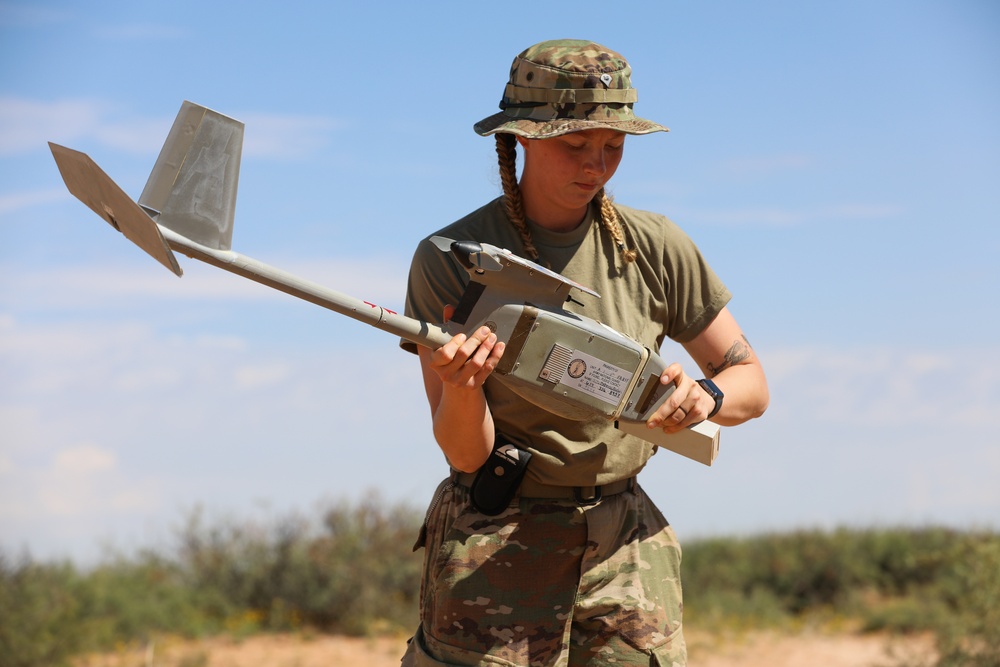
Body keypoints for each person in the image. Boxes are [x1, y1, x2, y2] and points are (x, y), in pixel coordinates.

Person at [399, 39, 769, 667]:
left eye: (613, 146)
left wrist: (703, 397)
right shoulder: (452, 258)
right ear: (518, 139)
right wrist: (462, 386)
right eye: (575, 145)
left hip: (627, 546)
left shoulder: (656, 248)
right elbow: (465, 452)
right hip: (496, 538)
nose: (596, 165)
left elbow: (751, 383)